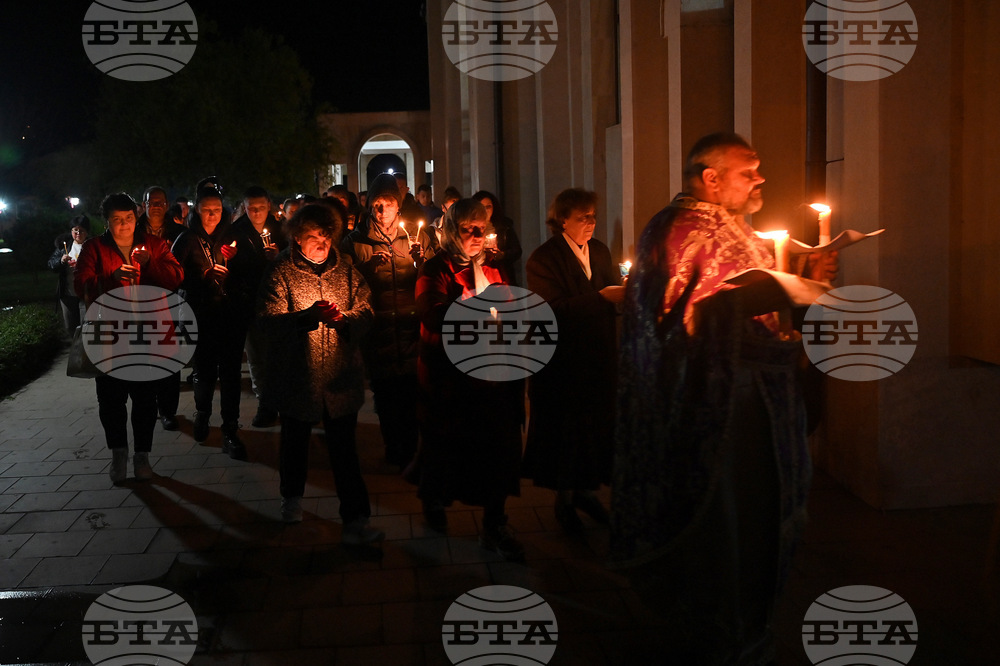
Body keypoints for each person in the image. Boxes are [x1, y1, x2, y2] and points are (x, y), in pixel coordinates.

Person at [610, 132, 837, 663]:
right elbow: (673, 318)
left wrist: (804, 278)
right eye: (748, 170)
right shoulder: (677, 228)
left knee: (763, 518)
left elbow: (759, 300)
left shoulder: (736, 226)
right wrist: (764, 293)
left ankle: (749, 626)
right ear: (710, 178)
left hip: (764, 396)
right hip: (724, 404)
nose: (760, 179)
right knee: (733, 521)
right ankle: (721, 630)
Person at [257, 203, 384, 544]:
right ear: (297, 238)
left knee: (344, 451)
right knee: (295, 444)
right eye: (314, 237)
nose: (322, 244)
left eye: (327, 237)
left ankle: (357, 517)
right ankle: (292, 498)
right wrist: (305, 317)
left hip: (340, 378)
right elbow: (268, 322)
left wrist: (345, 321)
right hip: (297, 377)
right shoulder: (280, 271)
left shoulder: (345, 269)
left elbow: (367, 309)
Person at [413, 198, 525, 561]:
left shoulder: (493, 267)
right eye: (467, 230)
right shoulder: (436, 268)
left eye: (481, 228)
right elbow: (433, 315)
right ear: (451, 232)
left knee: (497, 449)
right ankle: (433, 500)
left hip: (492, 377)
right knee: (445, 448)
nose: (476, 236)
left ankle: (495, 522)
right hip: (450, 381)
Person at [523, 188, 624, 534]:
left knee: (593, 430)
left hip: (598, 356)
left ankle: (586, 492)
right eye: (584, 217)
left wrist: (624, 291)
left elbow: (611, 289)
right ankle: (564, 501)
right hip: (563, 362)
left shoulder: (599, 250)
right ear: (563, 220)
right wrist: (600, 298)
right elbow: (551, 310)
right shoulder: (543, 259)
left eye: (594, 215)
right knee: (567, 434)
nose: (592, 223)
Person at [74, 193, 183, 483]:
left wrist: (150, 265)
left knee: (145, 398)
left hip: (146, 332)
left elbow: (175, 277)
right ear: (106, 221)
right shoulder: (94, 248)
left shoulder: (155, 245)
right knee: (110, 399)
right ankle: (118, 454)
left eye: (129, 219)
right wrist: (110, 278)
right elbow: (80, 285)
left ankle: (142, 456)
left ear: (137, 217)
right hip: (109, 333)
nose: (124, 225)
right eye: (117, 220)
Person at [340, 173, 429, 468]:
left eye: (388, 204)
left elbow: (434, 277)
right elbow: (345, 282)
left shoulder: (417, 237)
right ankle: (394, 448)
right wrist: (365, 269)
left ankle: (414, 450)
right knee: (387, 394)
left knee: (413, 392)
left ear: (398, 206)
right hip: (378, 328)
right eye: (377, 204)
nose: (381, 211)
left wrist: (421, 263)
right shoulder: (355, 241)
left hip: (411, 325)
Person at [171, 185, 248, 459]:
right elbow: (173, 276)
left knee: (230, 374)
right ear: (197, 210)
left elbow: (249, 273)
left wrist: (235, 267)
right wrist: (203, 276)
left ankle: (230, 428)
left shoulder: (235, 237)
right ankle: (202, 414)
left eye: (217, 210)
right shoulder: (187, 239)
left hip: (230, 314)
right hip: (201, 314)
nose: (212, 215)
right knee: (204, 371)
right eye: (206, 210)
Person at [229, 186, 285, 428]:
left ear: (269, 206)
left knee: (278, 354)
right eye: (251, 208)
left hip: (277, 300)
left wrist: (279, 255)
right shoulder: (237, 230)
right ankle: (265, 403)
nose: (257, 213)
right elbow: (230, 267)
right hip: (249, 300)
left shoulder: (281, 229)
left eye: (261, 208)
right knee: (256, 356)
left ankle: (283, 400)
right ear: (245, 207)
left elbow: (292, 258)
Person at [138, 186, 187, 431]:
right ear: (143, 204)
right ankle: (149, 405)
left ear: (166, 204)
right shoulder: (132, 231)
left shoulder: (178, 233)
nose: (155, 205)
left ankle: (168, 410)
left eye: (160, 201)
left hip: (170, 300)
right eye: (150, 201)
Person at [48, 215, 90, 335]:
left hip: (86, 293)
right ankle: (75, 352)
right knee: (71, 328)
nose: (78, 233)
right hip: (68, 294)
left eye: (81, 230)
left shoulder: (92, 246)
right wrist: (61, 261)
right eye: (75, 230)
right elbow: (51, 264)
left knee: (85, 327)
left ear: (87, 232)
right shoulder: (64, 247)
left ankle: (85, 352)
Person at [473, 190, 523, 285]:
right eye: (482, 207)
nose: (486, 210)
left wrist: (502, 255)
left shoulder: (504, 226)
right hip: (479, 274)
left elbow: (516, 250)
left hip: (502, 274)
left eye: (489, 206)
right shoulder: (471, 229)